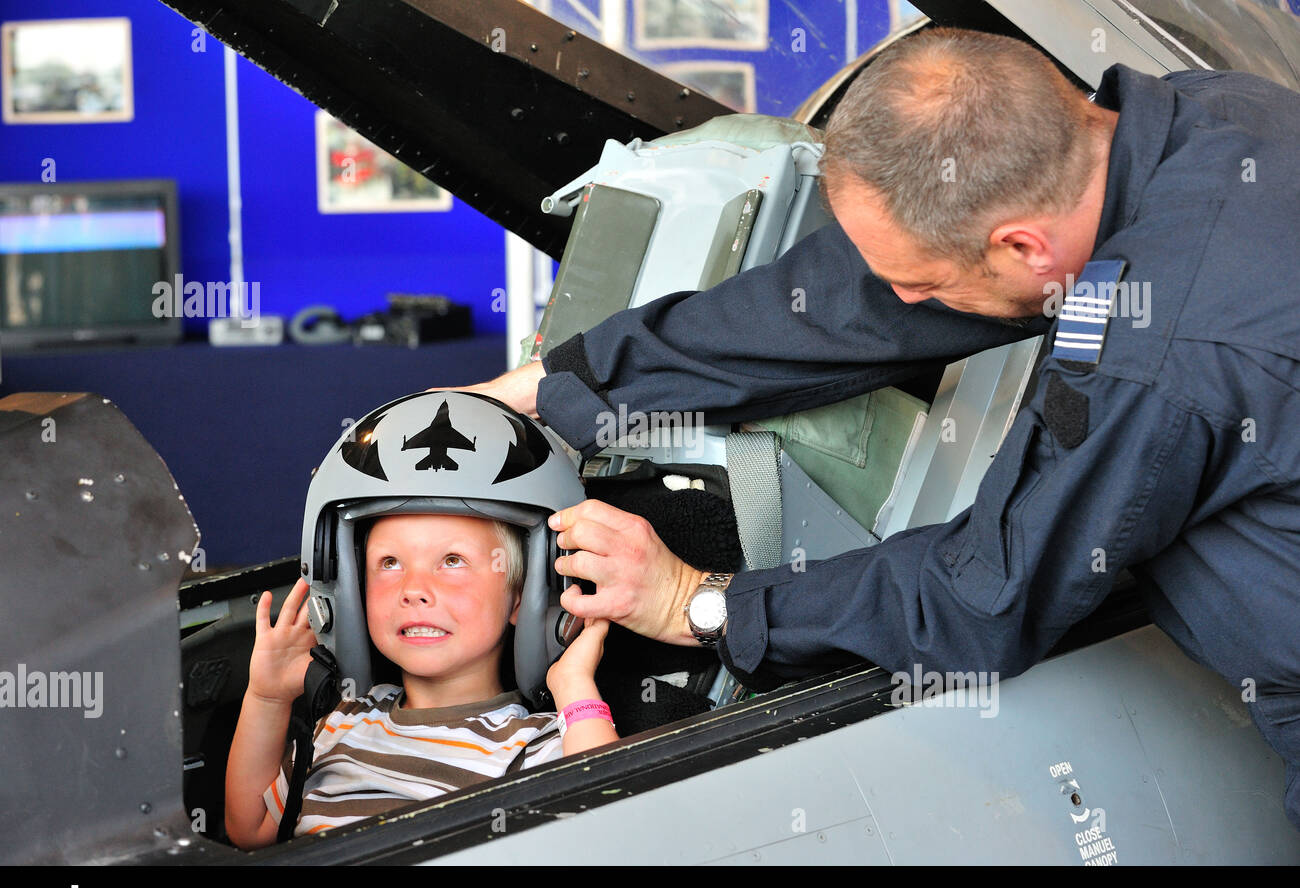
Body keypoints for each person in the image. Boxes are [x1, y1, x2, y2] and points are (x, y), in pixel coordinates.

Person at [458, 28, 1300, 828]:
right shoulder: (1208, 121)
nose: (907, 302)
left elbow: (985, 595)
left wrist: (700, 603)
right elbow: (861, 299)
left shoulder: (1157, 356)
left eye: (926, 282)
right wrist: (568, 384)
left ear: (1023, 249)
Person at [225, 392, 616, 850]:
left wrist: (575, 687)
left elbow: (606, 825)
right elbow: (249, 829)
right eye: (389, 563)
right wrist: (268, 698)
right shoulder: (342, 724)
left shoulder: (531, 744)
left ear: (523, 599)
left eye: (452, 561)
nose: (414, 588)